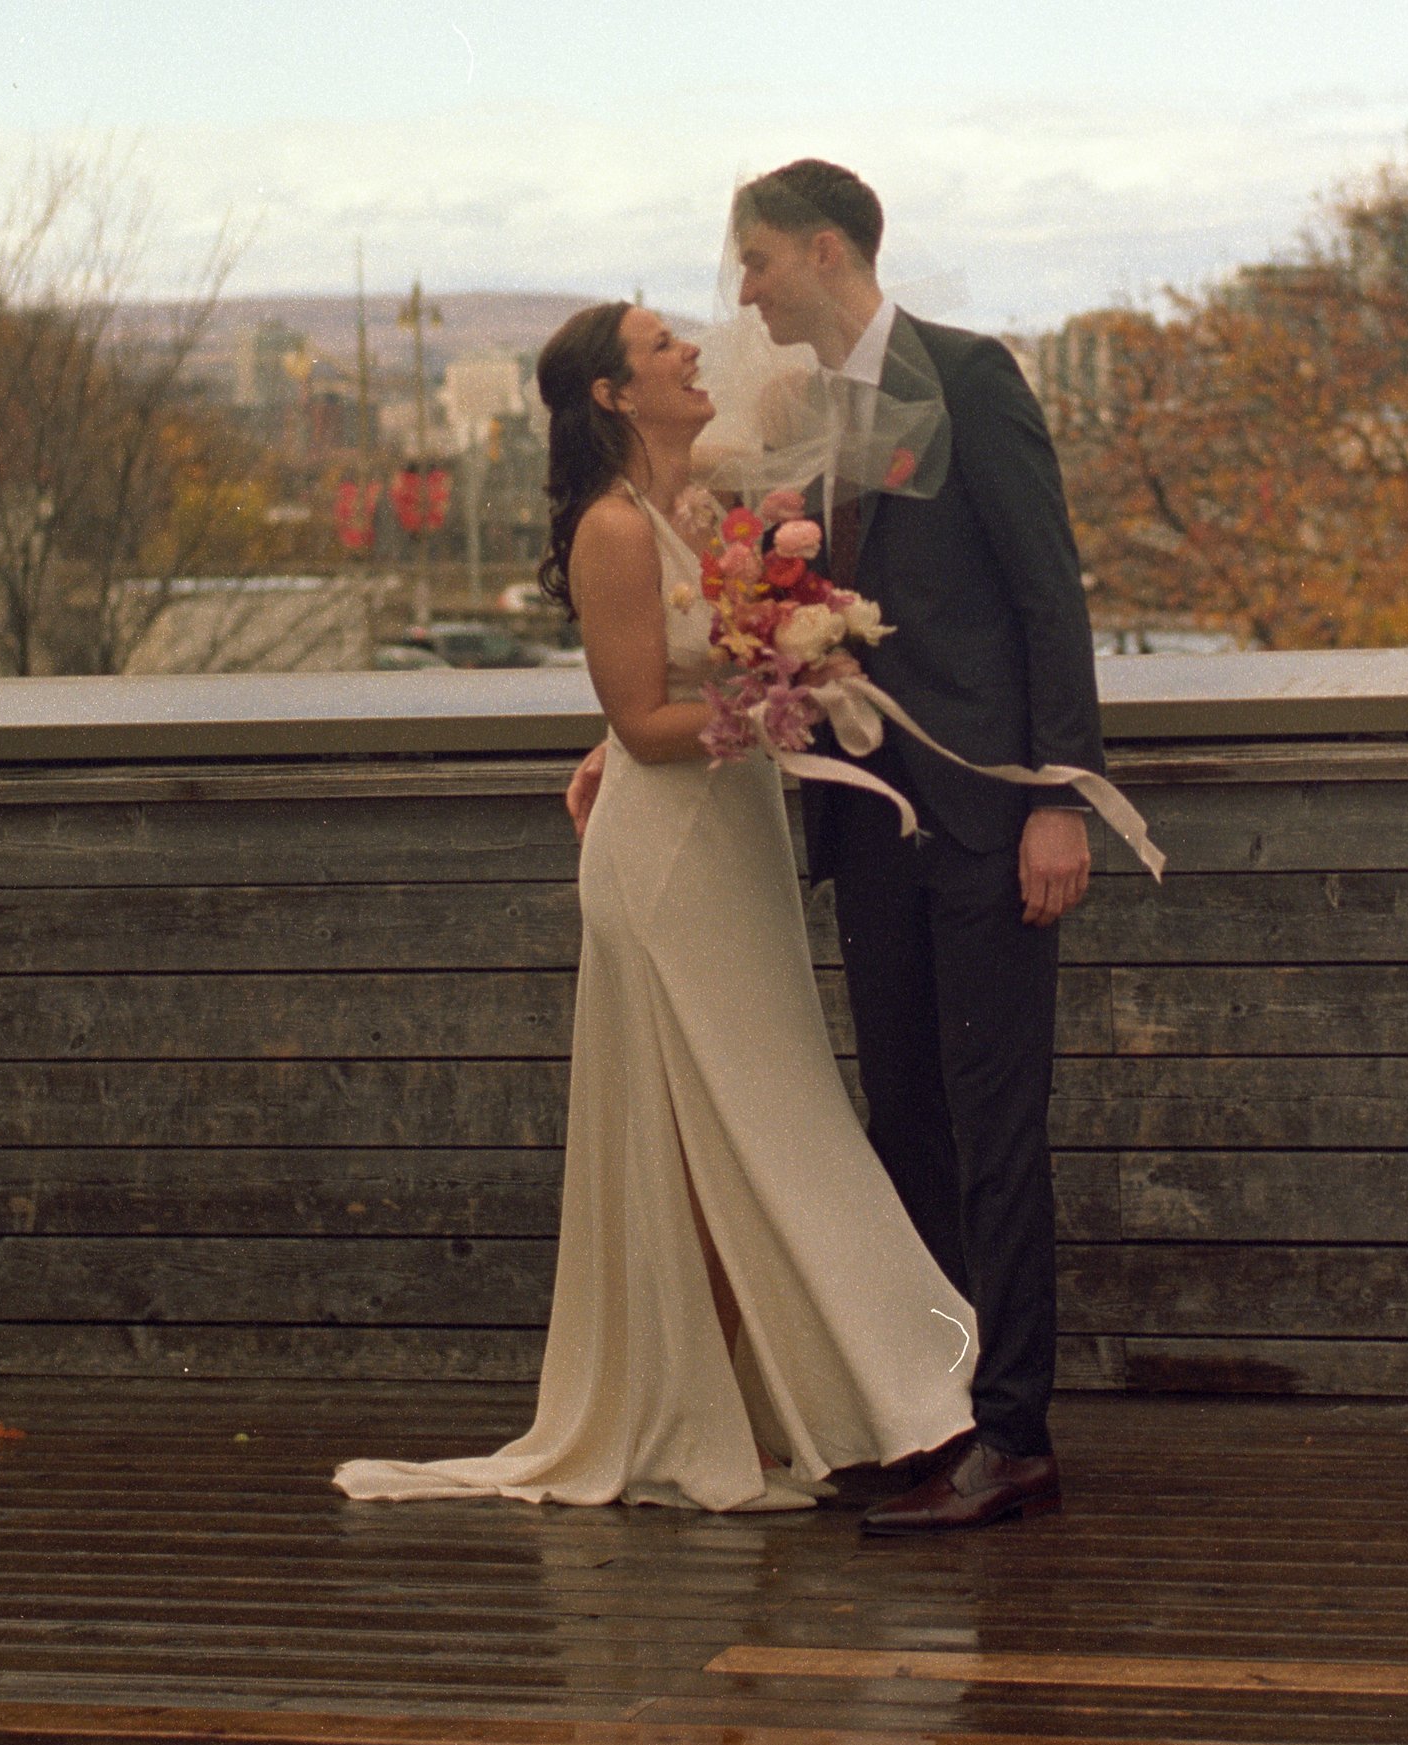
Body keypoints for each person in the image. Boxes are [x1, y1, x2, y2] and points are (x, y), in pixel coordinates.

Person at [332, 298, 976, 1516]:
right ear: (615, 396)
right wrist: (778, 704)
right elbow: (644, 722)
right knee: (741, 1123)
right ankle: (853, 1400)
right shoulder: (615, 530)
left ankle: (768, 1400)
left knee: (747, 1122)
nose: (693, 351)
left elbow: (689, 656)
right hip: (670, 855)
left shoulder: (701, 504)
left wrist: (784, 659)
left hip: (729, 844)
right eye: (662, 347)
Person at [629, 157, 1103, 1535]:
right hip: (870, 821)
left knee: (997, 1127)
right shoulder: (798, 418)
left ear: (827, 250)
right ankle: (930, 1413)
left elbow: (1046, 596)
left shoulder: (971, 377)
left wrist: (1058, 795)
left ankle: (1014, 1435)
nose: (742, 288)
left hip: (988, 815)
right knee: (905, 1122)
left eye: (759, 260)